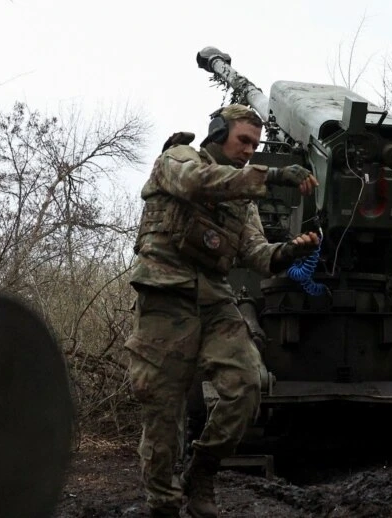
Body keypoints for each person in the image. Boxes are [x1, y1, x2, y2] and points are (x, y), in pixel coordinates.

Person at [126, 103, 320, 518]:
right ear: (217, 134)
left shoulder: (243, 199)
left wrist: (289, 251)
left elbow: (256, 254)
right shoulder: (178, 159)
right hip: (166, 294)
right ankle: (162, 503)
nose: (249, 150)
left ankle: (202, 473)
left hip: (214, 299)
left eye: (255, 144)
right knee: (162, 406)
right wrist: (272, 175)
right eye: (242, 141)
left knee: (247, 384)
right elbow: (197, 184)